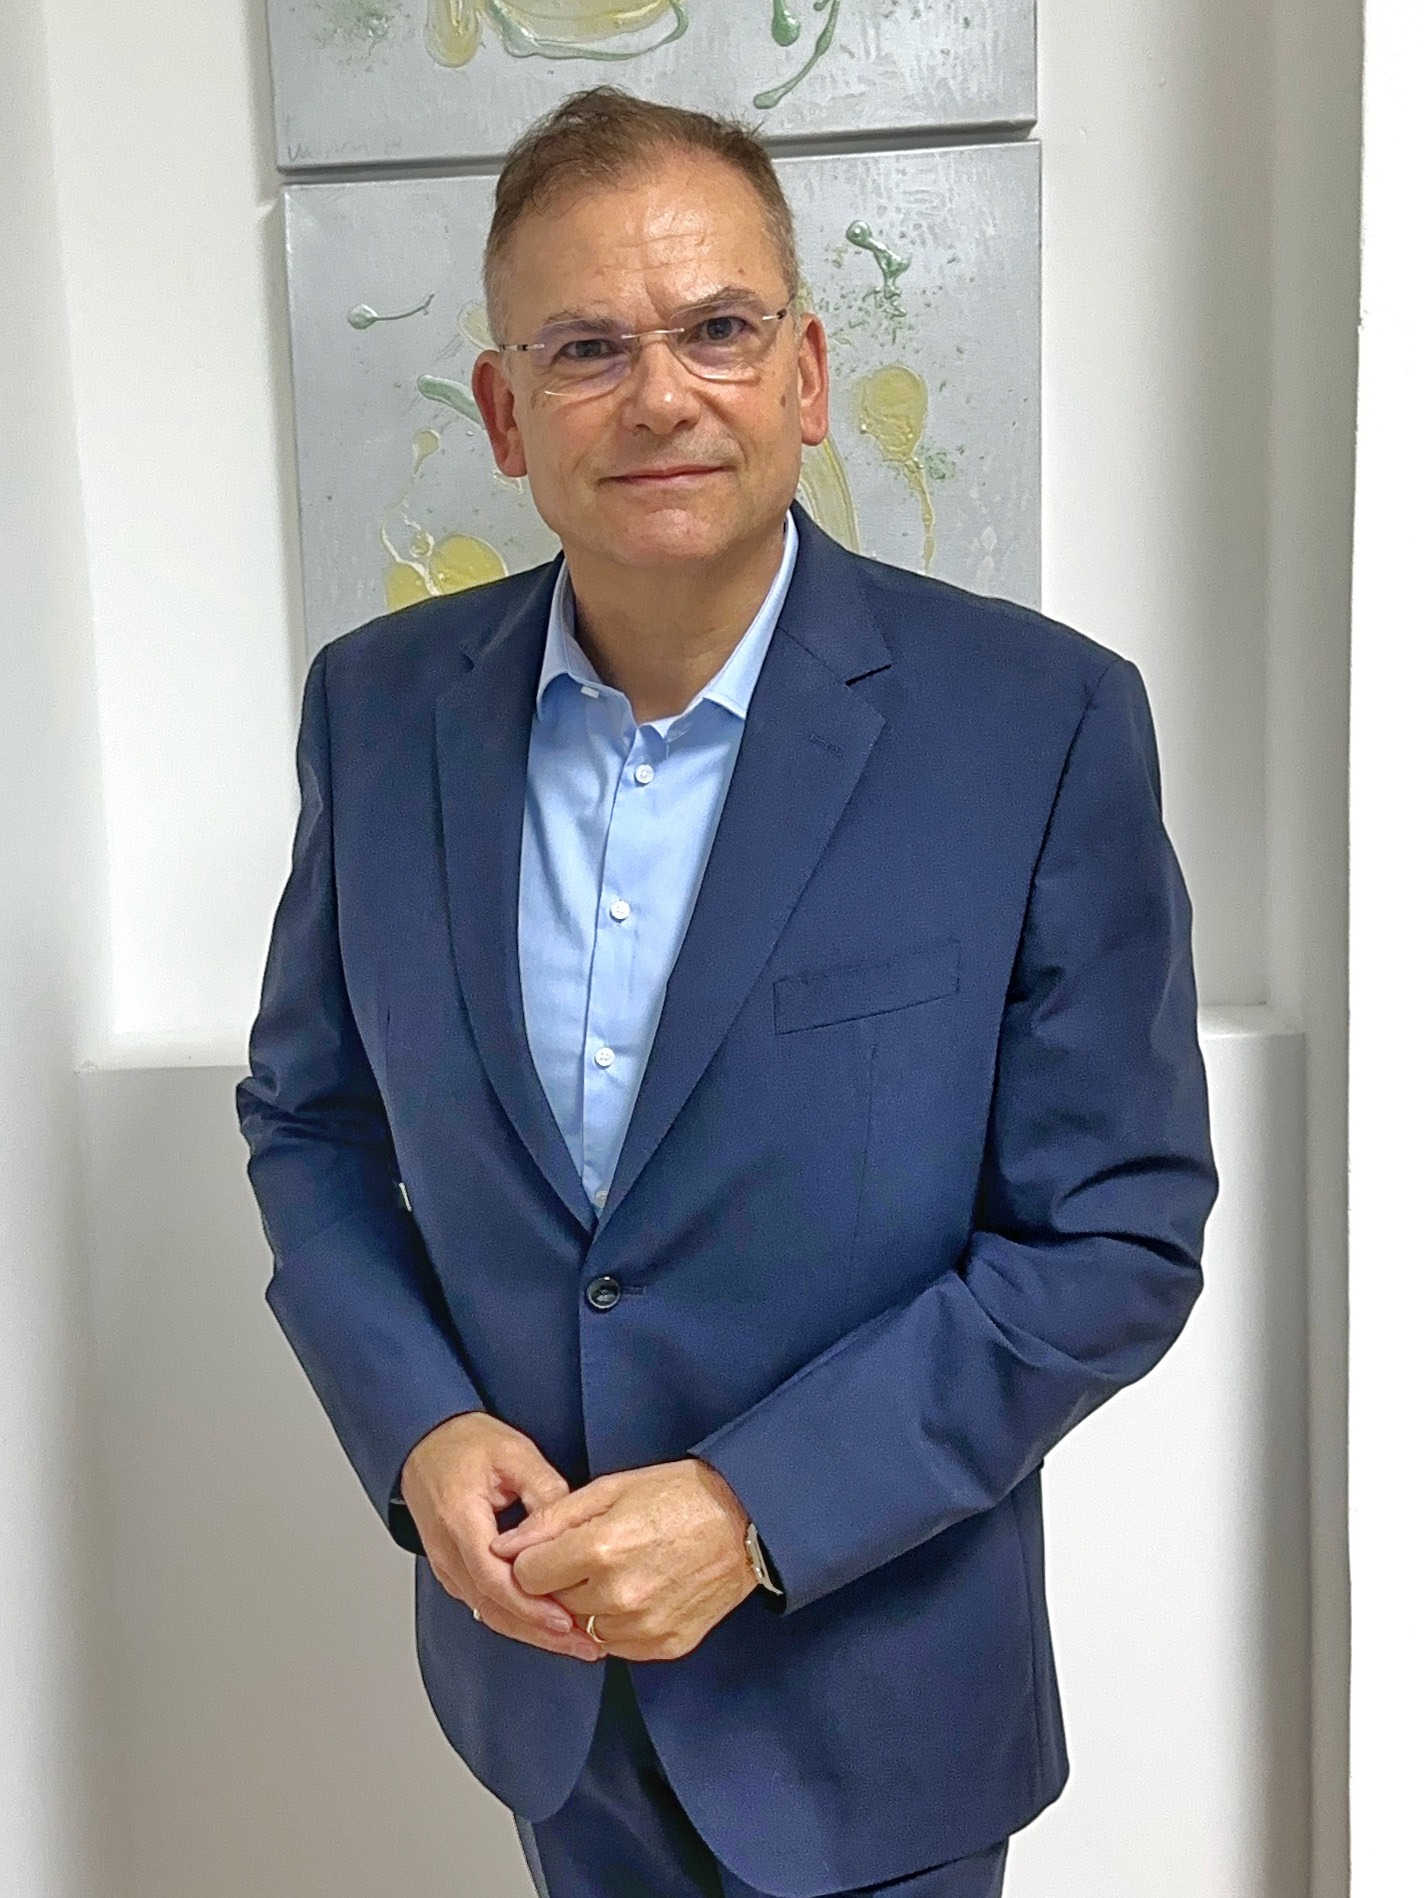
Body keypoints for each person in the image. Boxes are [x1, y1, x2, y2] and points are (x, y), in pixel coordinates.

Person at [237, 85, 1217, 1898]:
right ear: (504, 413)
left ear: (807, 374)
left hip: (875, 1703)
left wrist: (753, 1508)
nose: (661, 395)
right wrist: (418, 1420)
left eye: (717, 329)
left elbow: (1116, 1231)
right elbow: (311, 1120)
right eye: (586, 348)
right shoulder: (375, 714)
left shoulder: (1039, 723)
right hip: (538, 1687)